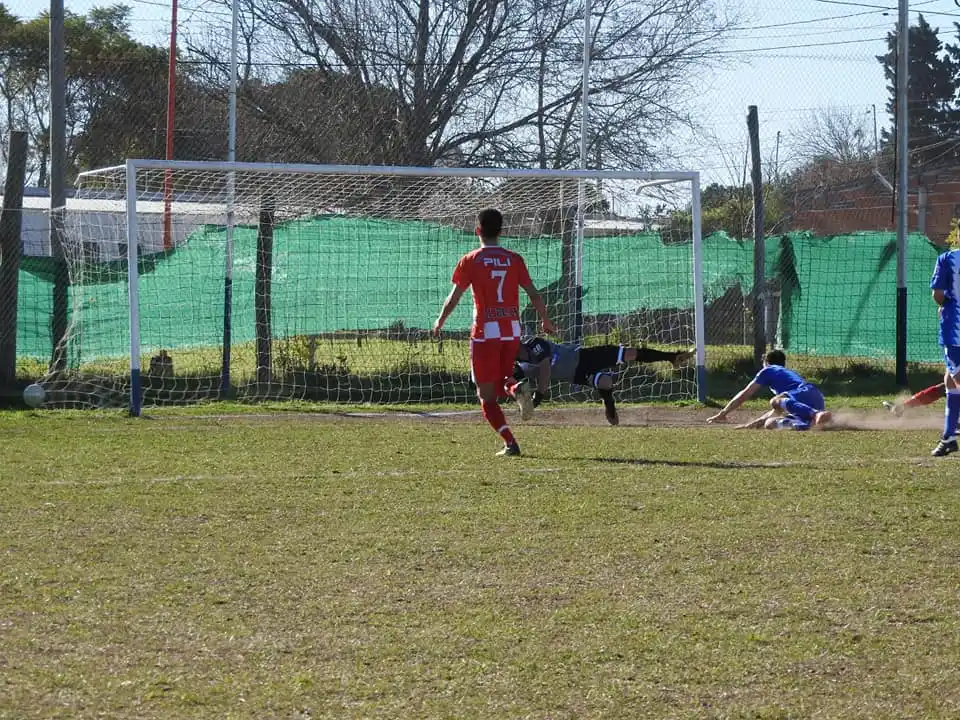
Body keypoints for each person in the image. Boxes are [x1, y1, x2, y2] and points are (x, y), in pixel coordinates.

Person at [433, 208, 554, 457]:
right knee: (502, 379)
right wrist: (545, 320)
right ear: (501, 231)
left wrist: (440, 320)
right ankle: (515, 388)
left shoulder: (471, 260)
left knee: (485, 395)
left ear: (478, 231)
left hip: (485, 332)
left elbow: (454, 297)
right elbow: (533, 293)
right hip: (511, 330)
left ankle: (510, 443)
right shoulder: (514, 259)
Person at [513, 338, 694, 425]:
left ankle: (672, 357)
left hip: (584, 357)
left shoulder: (535, 344)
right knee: (605, 382)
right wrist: (519, 394)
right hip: (577, 375)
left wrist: (537, 398)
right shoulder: (522, 366)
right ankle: (610, 407)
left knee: (629, 353)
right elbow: (511, 381)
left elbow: (545, 369)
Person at [706, 349, 832, 430]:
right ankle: (808, 424)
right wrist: (752, 425)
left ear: (766, 363)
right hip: (813, 399)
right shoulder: (785, 374)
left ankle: (815, 414)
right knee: (770, 424)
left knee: (775, 401)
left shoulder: (768, 370)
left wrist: (723, 413)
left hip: (805, 392)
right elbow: (778, 410)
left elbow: (745, 394)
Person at [929, 245, 960, 456]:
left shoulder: (947, 259)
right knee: (950, 378)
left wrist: (943, 304)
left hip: (956, 329)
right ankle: (948, 436)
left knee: (957, 377)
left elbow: (938, 294)